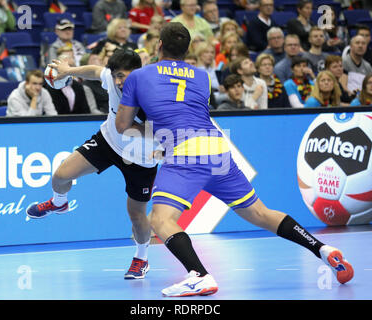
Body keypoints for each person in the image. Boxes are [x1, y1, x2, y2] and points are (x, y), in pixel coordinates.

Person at [114, 22, 354, 297]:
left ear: (158, 45)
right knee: (260, 213)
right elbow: (189, 109)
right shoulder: (202, 76)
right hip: (217, 147)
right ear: (187, 50)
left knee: (160, 219)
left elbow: (123, 125)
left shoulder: (138, 76)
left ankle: (199, 275)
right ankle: (323, 250)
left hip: (184, 152)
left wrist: (156, 129)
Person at [26, 49, 160, 280]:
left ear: (137, 73)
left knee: (136, 215)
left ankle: (142, 258)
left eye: (123, 76)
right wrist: (69, 71)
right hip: (108, 142)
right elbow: (97, 72)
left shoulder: (153, 96)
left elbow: (161, 131)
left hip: (141, 158)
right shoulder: (111, 78)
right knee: (60, 176)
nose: (118, 81)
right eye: (115, 75)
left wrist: (128, 126)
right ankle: (60, 203)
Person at [44, 47, 91, 115]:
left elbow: (86, 112)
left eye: (72, 57)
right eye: (65, 59)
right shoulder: (49, 86)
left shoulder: (78, 86)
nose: (70, 60)